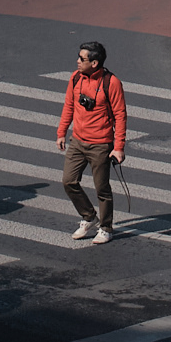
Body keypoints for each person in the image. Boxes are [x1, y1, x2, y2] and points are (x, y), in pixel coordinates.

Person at [56, 42, 127, 241]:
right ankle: (89, 217)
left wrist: (118, 147)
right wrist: (61, 132)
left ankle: (106, 227)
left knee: (102, 189)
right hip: (77, 141)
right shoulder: (75, 77)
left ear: (94, 63)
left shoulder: (111, 83)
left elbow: (120, 115)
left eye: (82, 59)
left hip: (101, 145)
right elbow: (69, 105)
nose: (77, 62)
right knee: (69, 181)